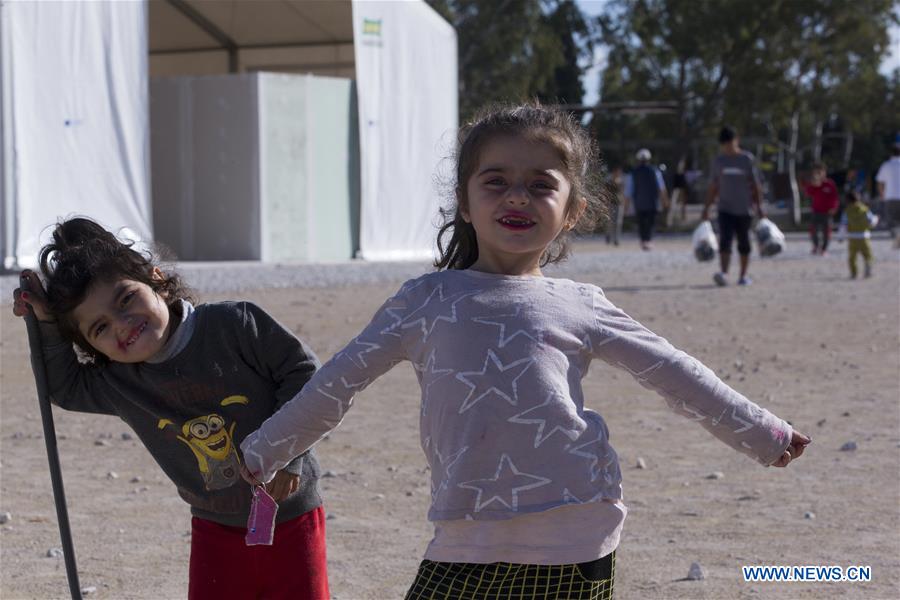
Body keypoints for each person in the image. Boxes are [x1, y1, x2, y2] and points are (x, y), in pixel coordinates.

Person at [239, 104, 810, 600]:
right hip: (465, 533)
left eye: (541, 184)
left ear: (573, 211)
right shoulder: (424, 301)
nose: (517, 196)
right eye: (496, 181)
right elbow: (338, 382)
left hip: (577, 532)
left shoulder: (581, 303)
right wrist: (265, 449)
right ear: (464, 203)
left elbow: (672, 371)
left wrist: (762, 432)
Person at [11, 218, 329, 600]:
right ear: (90, 347)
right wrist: (46, 324)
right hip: (213, 530)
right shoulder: (119, 381)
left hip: (291, 517)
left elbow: (305, 374)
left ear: (157, 279)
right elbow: (62, 387)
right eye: (100, 328)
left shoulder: (233, 325)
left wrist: (289, 455)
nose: (122, 325)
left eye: (126, 299)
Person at [702, 126, 765, 286]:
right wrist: (706, 207)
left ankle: (743, 276)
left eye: (730, 144)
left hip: (744, 209)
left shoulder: (746, 159)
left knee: (744, 243)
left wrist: (760, 206)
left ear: (737, 141)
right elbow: (713, 186)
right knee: (725, 241)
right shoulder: (719, 162)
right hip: (725, 208)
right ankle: (724, 273)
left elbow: (755, 185)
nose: (728, 148)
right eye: (725, 145)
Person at [625, 148, 670, 250]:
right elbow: (662, 188)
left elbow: (628, 191)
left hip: (639, 202)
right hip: (652, 201)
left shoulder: (633, 173)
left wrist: (626, 205)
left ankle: (643, 240)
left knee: (641, 222)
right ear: (649, 159)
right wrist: (665, 201)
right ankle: (648, 240)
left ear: (638, 160)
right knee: (651, 222)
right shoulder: (655, 171)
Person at [802, 162, 840, 255]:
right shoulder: (813, 183)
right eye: (816, 172)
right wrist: (813, 185)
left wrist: (834, 208)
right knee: (813, 230)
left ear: (824, 172)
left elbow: (835, 197)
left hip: (827, 212)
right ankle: (816, 246)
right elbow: (807, 193)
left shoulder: (830, 184)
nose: (818, 174)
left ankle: (824, 249)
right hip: (816, 211)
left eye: (820, 172)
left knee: (826, 231)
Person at [839, 191, 878, 279]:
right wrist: (876, 219)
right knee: (868, 255)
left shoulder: (847, 211)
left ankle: (854, 273)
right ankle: (868, 270)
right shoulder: (864, 209)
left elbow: (843, 225)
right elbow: (872, 221)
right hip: (864, 236)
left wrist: (840, 237)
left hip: (852, 237)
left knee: (852, 257)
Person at [875, 143, 900, 237]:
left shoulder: (886, 165)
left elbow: (880, 182)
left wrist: (882, 195)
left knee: (892, 221)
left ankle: (895, 237)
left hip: (890, 196)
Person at [605, 164, 627, 246]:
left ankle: (616, 239)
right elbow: (606, 192)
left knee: (618, 222)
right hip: (611, 203)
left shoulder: (621, 182)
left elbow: (623, 193)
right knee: (610, 222)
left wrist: (624, 203)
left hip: (619, 203)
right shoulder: (609, 181)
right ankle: (609, 235)